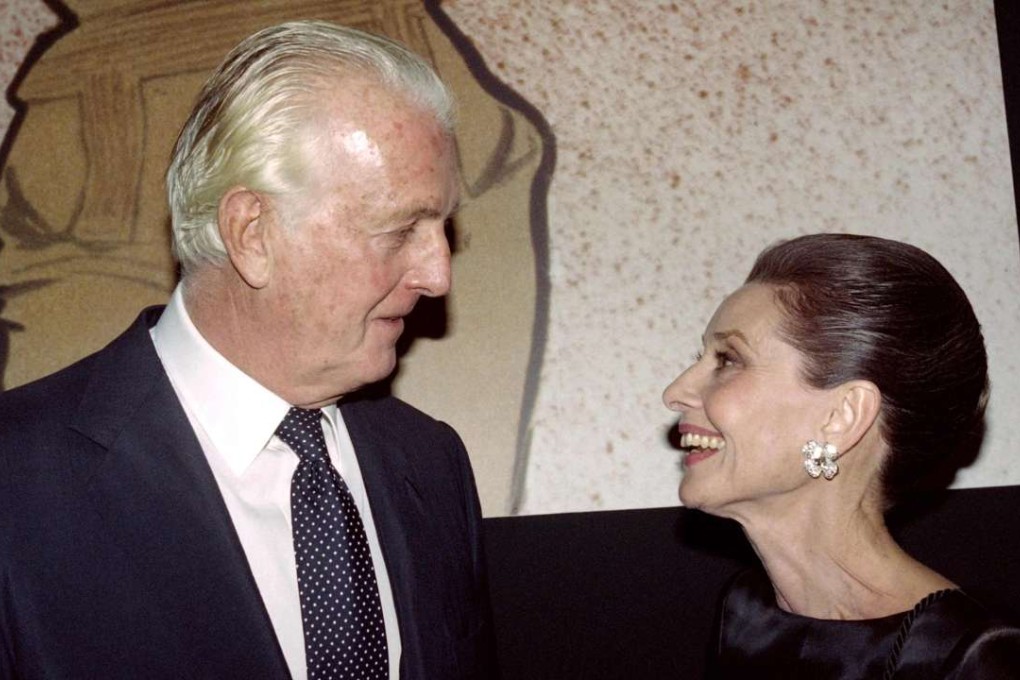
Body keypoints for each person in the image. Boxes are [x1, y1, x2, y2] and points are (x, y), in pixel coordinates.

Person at [0, 20, 496, 680]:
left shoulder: (430, 464)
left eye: (442, 228)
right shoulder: (18, 483)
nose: (438, 275)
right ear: (252, 233)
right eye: (401, 229)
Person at [662, 233, 1020, 678]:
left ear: (841, 416)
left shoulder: (971, 659)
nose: (674, 392)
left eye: (728, 359)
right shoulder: (746, 613)